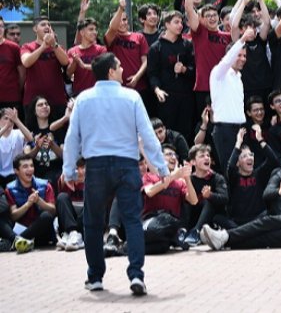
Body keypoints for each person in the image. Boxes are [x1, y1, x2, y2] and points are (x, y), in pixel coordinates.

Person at [62, 52, 170, 296]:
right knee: (132, 220)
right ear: (111, 71)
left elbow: (72, 138)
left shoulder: (84, 99)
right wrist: (161, 167)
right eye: (119, 66)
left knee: (93, 222)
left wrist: (68, 169)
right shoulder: (131, 97)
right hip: (127, 164)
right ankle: (136, 275)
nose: (123, 69)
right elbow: (147, 134)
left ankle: (96, 276)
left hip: (96, 166)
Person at [209, 27, 253, 173]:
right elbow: (227, 60)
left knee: (243, 171)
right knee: (229, 170)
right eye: (238, 55)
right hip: (224, 130)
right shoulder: (219, 73)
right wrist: (242, 39)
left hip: (240, 129)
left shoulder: (239, 78)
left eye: (245, 56)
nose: (242, 59)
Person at [147, 10, 196, 142]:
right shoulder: (156, 48)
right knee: (167, 132)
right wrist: (157, 89)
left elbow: (194, 70)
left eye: (181, 22)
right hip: (166, 97)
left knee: (186, 132)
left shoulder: (187, 45)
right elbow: (152, 73)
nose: (180, 25)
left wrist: (184, 69)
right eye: (176, 22)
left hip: (185, 96)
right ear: (167, 24)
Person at [217, 127, 279, 228]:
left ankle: (241, 235)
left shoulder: (259, 174)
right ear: (238, 163)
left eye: (251, 155)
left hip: (257, 219)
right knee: (217, 218)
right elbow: (230, 167)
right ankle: (243, 233)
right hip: (237, 222)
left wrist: (260, 139)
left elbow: (273, 160)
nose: (249, 157)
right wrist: (238, 143)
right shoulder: (234, 177)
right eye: (244, 156)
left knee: (269, 214)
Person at [141, 143, 198, 254]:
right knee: (162, 243)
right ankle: (175, 237)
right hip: (151, 220)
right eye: (169, 154)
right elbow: (150, 192)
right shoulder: (149, 176)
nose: (173, 157)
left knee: (163, 244)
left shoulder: (180, 183)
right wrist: (173, 176)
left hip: (171, 222)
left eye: (175, 155)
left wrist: (187, 179)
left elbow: (194, 200)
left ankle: (175, 236)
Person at [4, 153, 56, 252]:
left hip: (42, 235)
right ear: (16, 171)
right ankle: (20, 241)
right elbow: (13, 215)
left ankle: (16, 242)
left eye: (31, 166)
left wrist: (39, 201)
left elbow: (53, 211)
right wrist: (28, 204)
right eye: (25, 166)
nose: (30, 169)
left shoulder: (45, 185)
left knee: (46, 216)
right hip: (21, 228)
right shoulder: (10, 189)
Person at [104, 0, 151, 107]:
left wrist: (137, 77)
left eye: (124, 19)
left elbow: (145, 60)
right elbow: (112, 28)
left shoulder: (139, 37)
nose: (122, 23)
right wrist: (121, 9)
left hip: (139, 87)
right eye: (119, 19)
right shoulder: (112, 37)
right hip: (118, 88)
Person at [20, 17, 69, 118]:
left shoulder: (57, 47)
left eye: (49, 25)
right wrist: (43, 47)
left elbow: (65, 61)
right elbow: (26, 62)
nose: (47, 26)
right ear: (35, 29)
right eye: (43, 24)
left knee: (58, 133)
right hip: (33, 101)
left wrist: (53, 44)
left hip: (57, 100)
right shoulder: (27, 47)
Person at [184, 144, 228, 245]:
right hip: (194, 218)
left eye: (208, 155)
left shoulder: (217, 178)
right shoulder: (189, 179)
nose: (206, 158)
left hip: (213, 219)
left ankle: (196, 232)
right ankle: (183, 231)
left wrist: (210, 195)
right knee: (186, 201)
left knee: (209, 201)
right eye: (202, 156)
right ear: (193, 162)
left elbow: (225, 198)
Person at [1, 108, 34, 187]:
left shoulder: (18, 133)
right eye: (6, 118)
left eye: (11, 118)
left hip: (15, 173)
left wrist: (16, 120)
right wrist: (5, 127)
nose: (9, 121)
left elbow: (30, 138)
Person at [0, 16, 24, 114]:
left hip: (11, 97)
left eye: (1, 26)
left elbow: (22, 73)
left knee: (12, 128)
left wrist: (16, 90)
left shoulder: (14, 48)